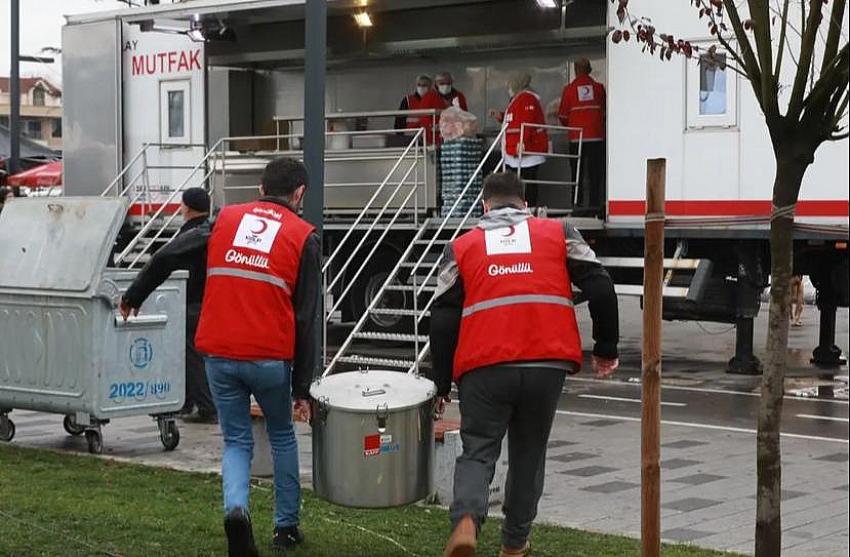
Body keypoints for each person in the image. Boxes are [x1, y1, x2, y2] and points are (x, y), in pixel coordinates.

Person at [430, 172, 619, 557]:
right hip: (546, 362)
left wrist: (441, 382)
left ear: (483, 207)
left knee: (478, 449)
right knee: (529, 452)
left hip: (484, 364)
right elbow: (600, 284)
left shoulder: (462, 245)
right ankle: (514, 544)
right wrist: (605, 347)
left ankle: (466, 520)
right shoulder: (558, 232)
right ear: (525, 205)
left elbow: (444, 317)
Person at [195, 157, 320, 557]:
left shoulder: (225, 219)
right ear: (299, 194)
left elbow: (173, 254)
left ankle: (236, 509)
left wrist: (135, 294)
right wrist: (303, 388)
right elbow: (306, 318)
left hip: (219, 350)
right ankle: (285, 527)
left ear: (261, 189)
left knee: (235, 441)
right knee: (282, 436)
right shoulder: (303, 235)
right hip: (269, 357)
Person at [120, 188, 217, 423]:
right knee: (201, 355)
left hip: (190, 301)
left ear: (187, 207)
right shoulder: (216, 230)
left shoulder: (189, 236)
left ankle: (203, 406)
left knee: (190, 355)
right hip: (210, 301)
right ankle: (190, 402)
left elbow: (163, 260)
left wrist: (134, 296)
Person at [488, 73, 549, 210]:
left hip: (526, 150)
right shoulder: (518, 99)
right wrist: (501, 116)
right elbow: (515, 118)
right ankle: (520, 206)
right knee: (519, 182)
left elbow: (527, 121)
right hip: (516, 151)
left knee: (528, 181)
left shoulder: (527, 99)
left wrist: (522, 142)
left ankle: (529, 206)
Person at [558, 58, 606, 217]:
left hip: (576, 138)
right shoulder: (599, 89)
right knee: (595, 174)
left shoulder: (569, 90)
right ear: (590, 70)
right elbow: (605, 113)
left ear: (576, 70)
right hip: (597, 137)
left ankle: (577, 204)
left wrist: (572, 127)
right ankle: (594, 205)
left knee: (576, 174)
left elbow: (563, 115)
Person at [421, 71, 469, 143]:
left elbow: (465, 115)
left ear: (452, 83)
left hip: (456, 136)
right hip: (435, 137)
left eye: (448, 83)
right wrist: (434, 126)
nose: (445, 86)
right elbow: (424, 117)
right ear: (436, 84)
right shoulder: (428, 97)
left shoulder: (459, 96)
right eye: (442, 83)